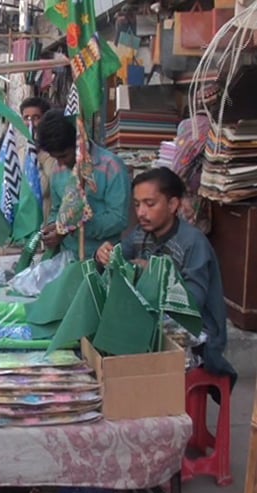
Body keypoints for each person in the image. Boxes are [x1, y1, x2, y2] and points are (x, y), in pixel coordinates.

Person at [95, 167, 237, 385]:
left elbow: (192, 303)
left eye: (150, 204)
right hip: (158, 319)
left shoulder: (193, 243)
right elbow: (119, 255)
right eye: (137, 204)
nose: (141, 212)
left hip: (198, 333)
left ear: (173, 205)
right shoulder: (142, 234)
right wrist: (103, 255)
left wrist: (154, 274)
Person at [36, 110, 131, 259]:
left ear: (80, 143)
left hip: (101, 259)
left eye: (64, 156)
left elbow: (118, 219)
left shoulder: (111, 167)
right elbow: (56, 209)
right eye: (55, 157)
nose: (61, 163)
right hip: (67, 258)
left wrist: (71, 228)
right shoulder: (58, 169)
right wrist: (53, 228)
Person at [19, 96, 56, 221]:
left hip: (48, 222)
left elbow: (43, 188)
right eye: (26, 118)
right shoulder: (23, 151)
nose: (31, 124)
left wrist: (35, 160)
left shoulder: (55, 153)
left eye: (36, 118)